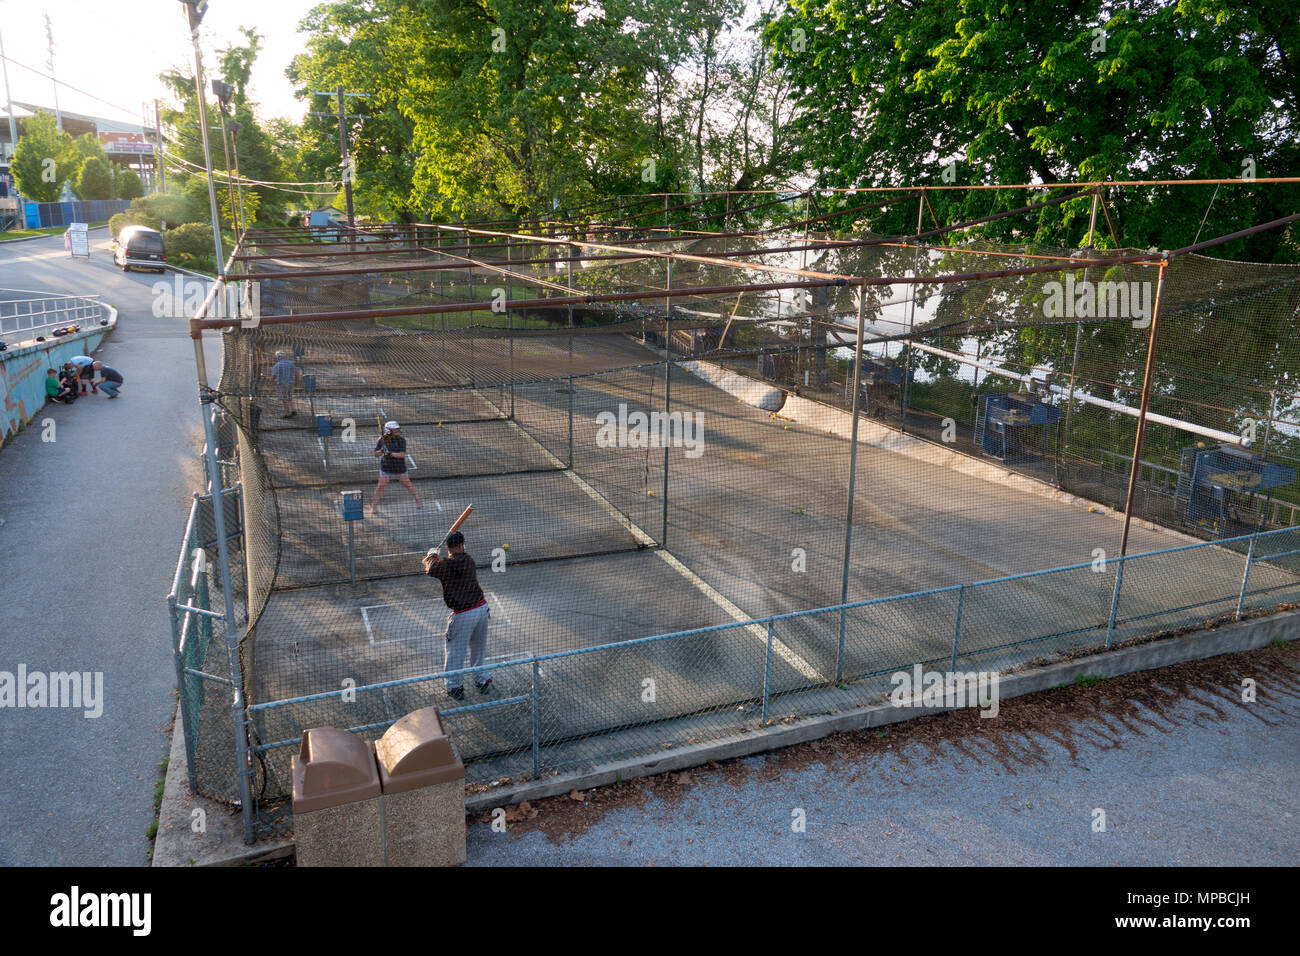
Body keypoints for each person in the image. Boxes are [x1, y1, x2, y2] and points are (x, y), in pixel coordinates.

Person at [422, 531, 492, 700]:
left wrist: (431, 556)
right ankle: (482, 681)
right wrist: (437, 559)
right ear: (461, 545)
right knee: (478, 648)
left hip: (463, 615)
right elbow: (447, 566)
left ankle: (454, 687)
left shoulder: (446, 565)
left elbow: (431, 569)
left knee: (455, 651)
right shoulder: (468, 560)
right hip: (482, 610)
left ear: (448, 548)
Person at [371, 421, 422, 512]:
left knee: (407, 484)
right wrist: (382, 451)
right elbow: (375, 454)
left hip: (399, 467)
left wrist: (389, 453)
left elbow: (402, 454)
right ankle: (374, 506)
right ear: (389, 430)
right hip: (386, 467)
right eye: (395, 430)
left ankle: (418, 500)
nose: (397, 431)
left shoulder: (401, 440)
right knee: (380, 486)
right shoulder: (381, 440)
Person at [269, 350, 299, 418]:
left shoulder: (277, 365)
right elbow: (297, 373)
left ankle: (287, 413)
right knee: (289, 398)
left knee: (284, 398)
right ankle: (293, 410)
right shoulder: (290, 363)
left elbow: (273, 376)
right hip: (291, 383)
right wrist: (297, 382)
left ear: (278, 357)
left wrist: (270, 384)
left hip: (282, 384)